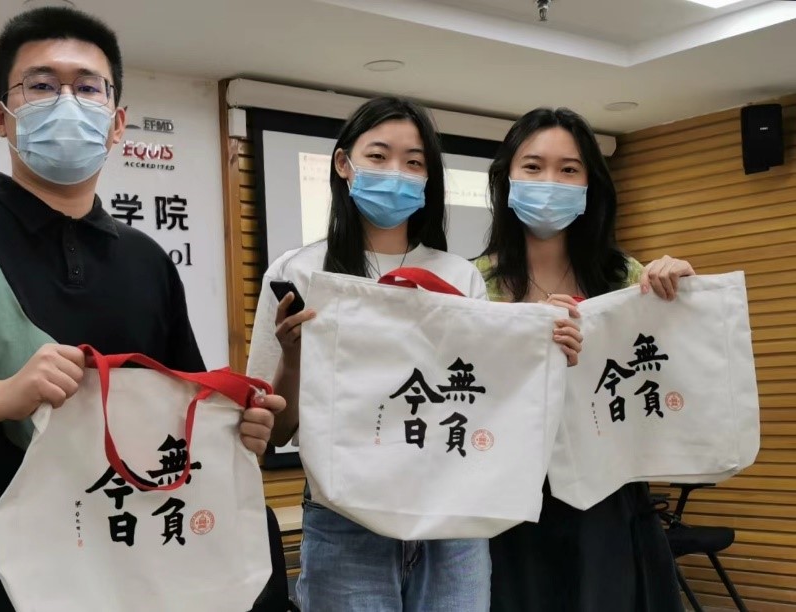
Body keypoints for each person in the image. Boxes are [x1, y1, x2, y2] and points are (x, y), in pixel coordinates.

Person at [0, 7, 283, 611]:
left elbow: (178, 411)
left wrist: (237, 429)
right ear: (1, 117)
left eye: (88, 88)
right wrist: (4, 396)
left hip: (125, 582)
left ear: (116, 123)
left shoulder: (147, 260)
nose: (67, 101)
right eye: (40, 85)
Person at [246, 96, 582, 611]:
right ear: (344, 164)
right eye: (378, 157)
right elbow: (277, 431)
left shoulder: (459, 275)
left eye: (414, 162)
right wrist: (293, 358)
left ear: (429, 178)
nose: (396, 173)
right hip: (345, 513)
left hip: (454, 512)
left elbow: (485, 397)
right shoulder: (298, 272)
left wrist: (544, 345)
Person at [474, 107, 692, 612]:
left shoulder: (626, 279)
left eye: (568, 169)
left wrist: (684, 296)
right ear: (506, 179)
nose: (550, 182)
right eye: (533, 167)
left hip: (608, 505)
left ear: (590, 184)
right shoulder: (472, 285)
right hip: (509, 505)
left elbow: (668, 376)